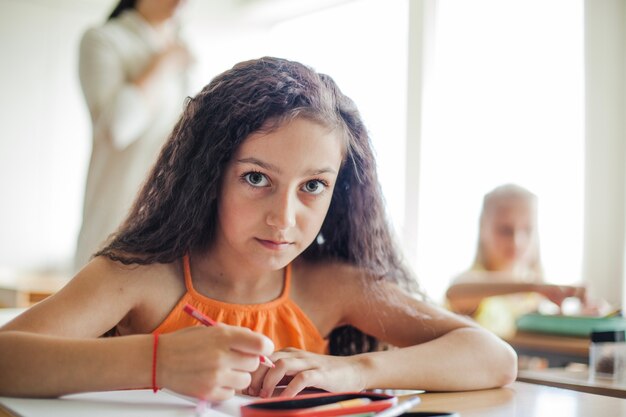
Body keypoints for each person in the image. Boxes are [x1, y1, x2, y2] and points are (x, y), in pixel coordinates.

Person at [0, 57, 517, 400]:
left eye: (313, 186)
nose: (284, 218)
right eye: (256, 178)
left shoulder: (334, 285)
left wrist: (350, 371)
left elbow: (493, 357)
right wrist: (158, 362)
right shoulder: (139, 276)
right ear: (207, 176)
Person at [74, 0, 193, 272]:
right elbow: (118, 127)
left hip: (168, 222)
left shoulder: (183, 46)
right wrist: (164, 63)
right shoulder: (104, 39)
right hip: (115, 215)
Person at [446, 184, 587, 328]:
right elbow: (454, 291)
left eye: (527, 230)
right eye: (505, 230)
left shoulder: (536, 295)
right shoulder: (474, 285)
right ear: (483, 227)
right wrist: (533, 286)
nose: (517, 241)